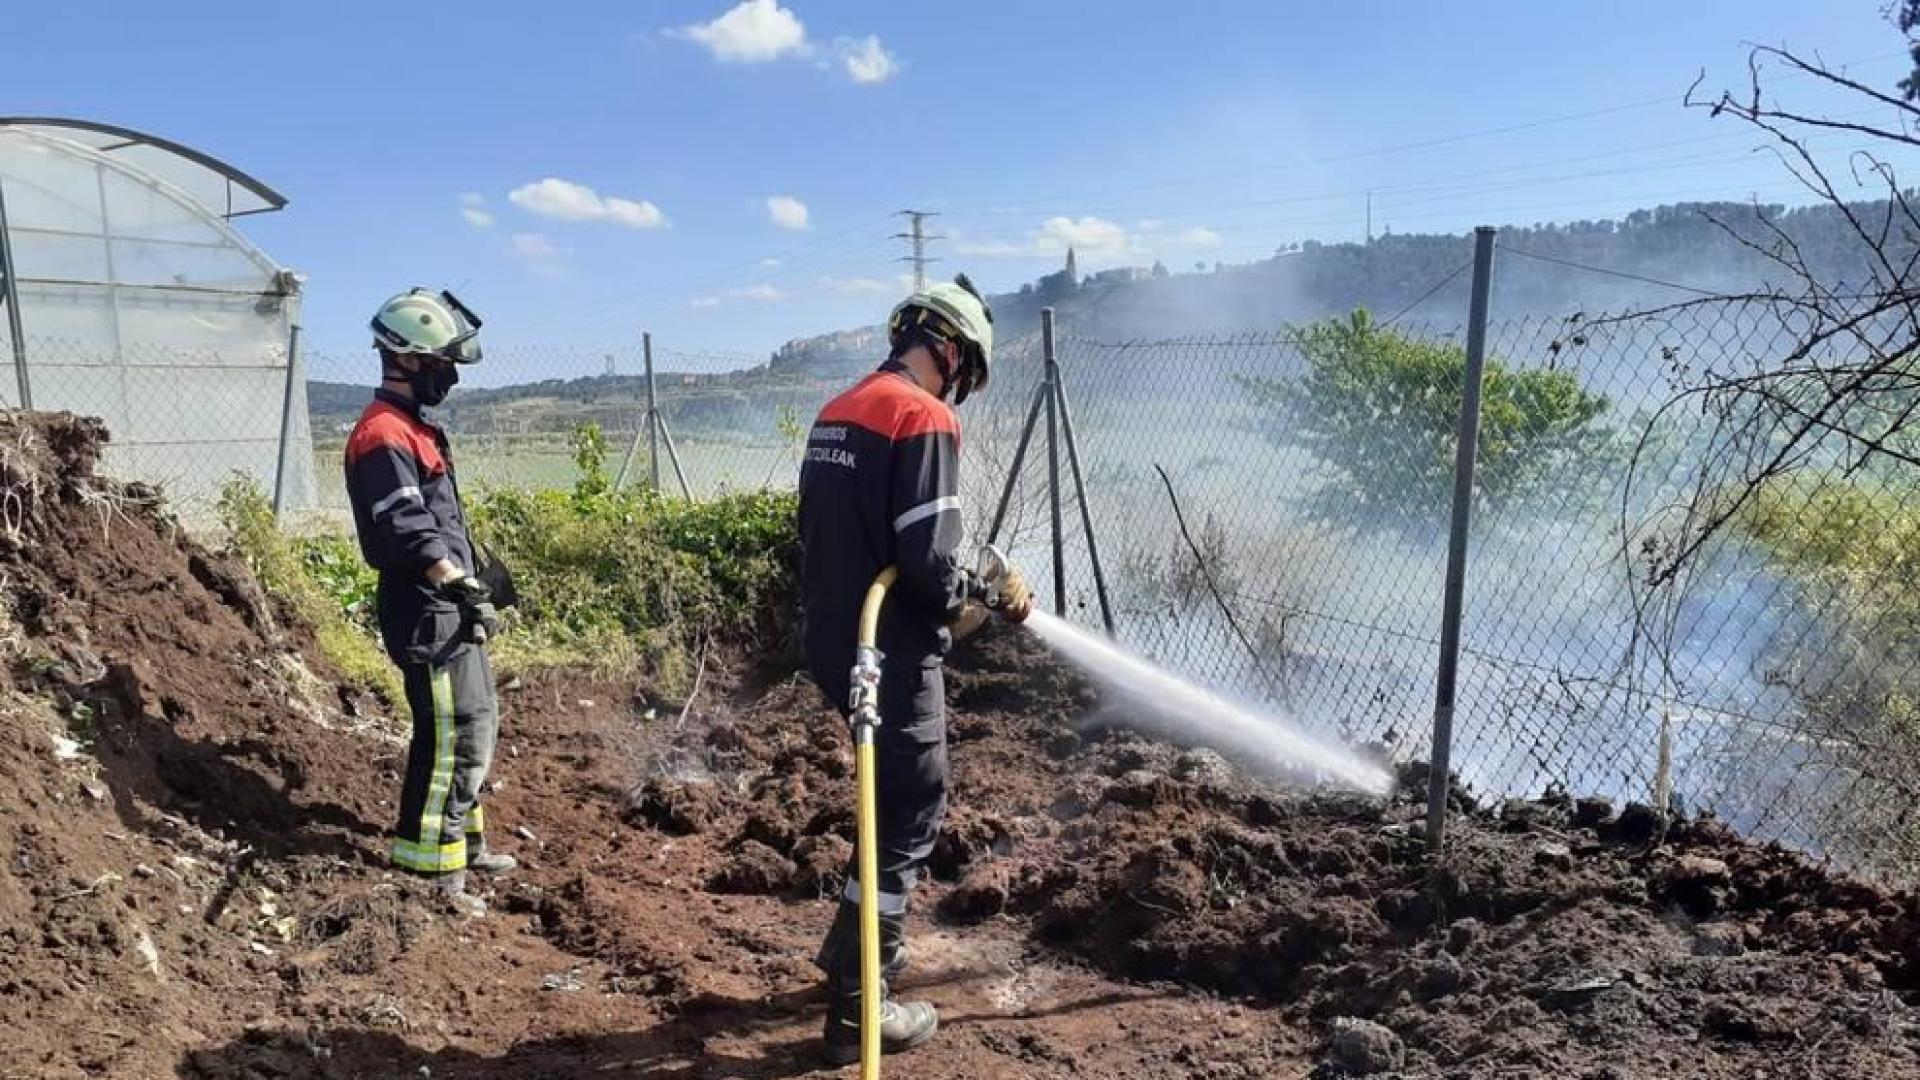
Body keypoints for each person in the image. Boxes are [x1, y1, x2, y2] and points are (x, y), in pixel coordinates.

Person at [797, 274, 1033, 1062]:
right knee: (909, 807)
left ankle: (850, 959)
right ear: (952, 351)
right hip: (890, 649)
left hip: (837, 639)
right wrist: (987, 592)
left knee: (883, 796)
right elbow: (928, 567)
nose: (961, 388)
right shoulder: (922, 417)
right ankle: (861, 1007)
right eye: (965, 372)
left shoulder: (839, 409)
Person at [343, 288, 516, 917]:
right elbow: (405, 527)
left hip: (446, 607)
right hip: (427, 608)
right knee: (451, 736)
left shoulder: (412, 428)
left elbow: (439, 518)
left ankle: (464, 846)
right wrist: (457, 582)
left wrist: (483, 570)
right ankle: (432, 878)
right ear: (411, 360)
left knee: (476, 721)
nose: (451, 375)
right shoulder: (383, 433)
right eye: (444, 363)